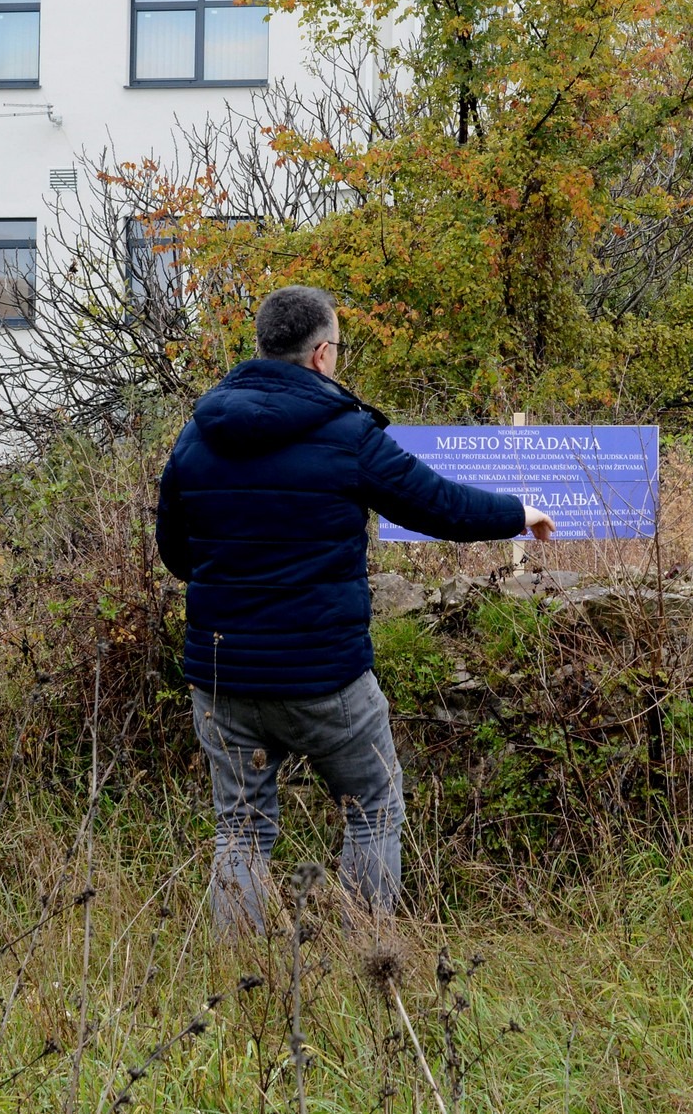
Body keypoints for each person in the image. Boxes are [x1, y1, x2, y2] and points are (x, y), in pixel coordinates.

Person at [156, 283, 554, 930]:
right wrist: (519, 513)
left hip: (223, 679)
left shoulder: (196, 437)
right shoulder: (346, 436)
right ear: (320, 356)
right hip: (325, 679)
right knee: (373, 804)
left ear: (263, 348)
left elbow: (178, 557)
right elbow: (439, 506)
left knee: (240, 831)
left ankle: (240, 1001)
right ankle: (364, 968)